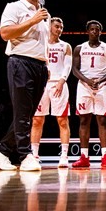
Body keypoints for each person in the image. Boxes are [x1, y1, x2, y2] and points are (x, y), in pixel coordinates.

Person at [0, 0, 50, 172]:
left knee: (27, 114)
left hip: (40, 65)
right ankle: (25, 155)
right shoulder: (14, 7)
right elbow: (5, 33)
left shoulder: (43, 12)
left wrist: (46, 64)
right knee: (23, 113)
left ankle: (2, 150)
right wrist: (32, 21)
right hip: (20, 62)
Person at [71, 20, 106, 168]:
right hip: (84, 86)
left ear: (100, 32)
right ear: (87, 31)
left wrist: (99, 80)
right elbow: (75, 70)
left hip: (102, 86)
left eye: (97, 30)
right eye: (92, 29)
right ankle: (84, 157)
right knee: (84, 120)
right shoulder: (79, 48)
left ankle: (105, 157)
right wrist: (88, 81)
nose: (94, 32)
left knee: (102, 121)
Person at [31, 16, 72, 168]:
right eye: (56, 26)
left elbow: (67, 66)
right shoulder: (39, 44)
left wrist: (62, 80)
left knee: (62, 120)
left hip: (58, 84)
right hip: (41, 85)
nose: (59, 29)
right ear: (49, 26)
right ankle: (34, 155)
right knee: (37, 120)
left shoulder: (65, 45)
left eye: (61, 27)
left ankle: (64, 156)